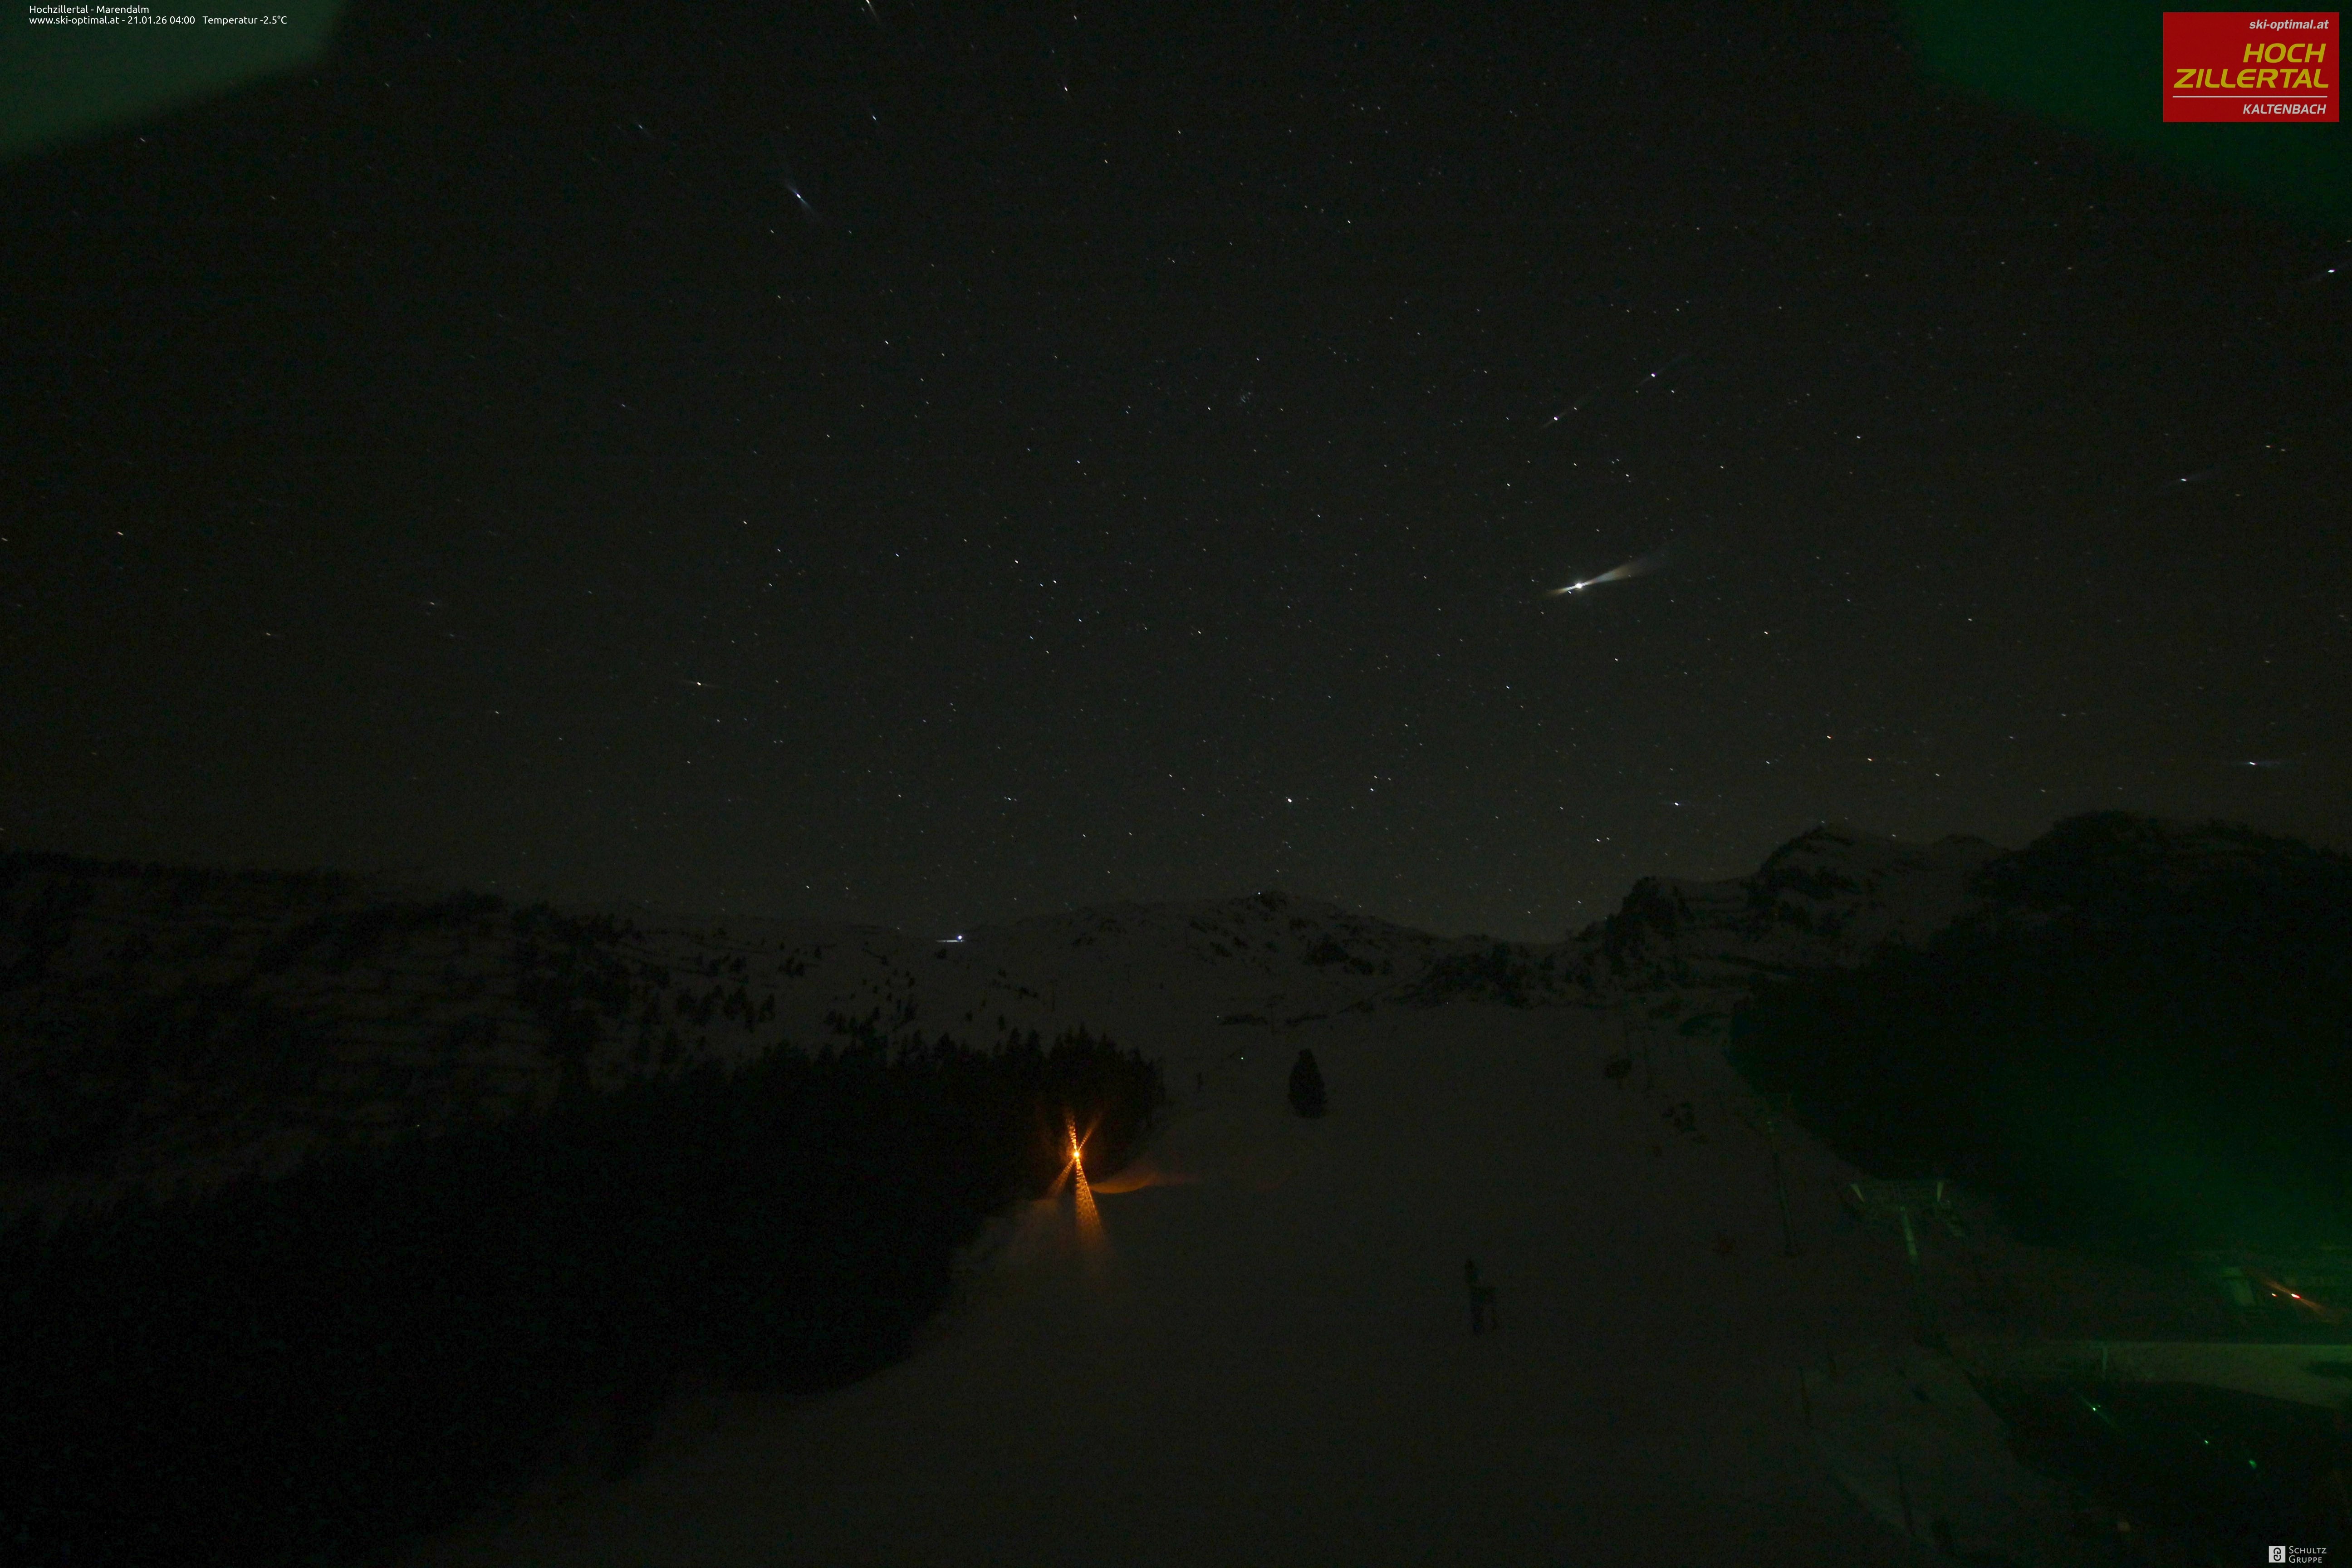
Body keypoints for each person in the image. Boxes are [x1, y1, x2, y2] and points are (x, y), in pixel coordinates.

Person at [1465, 1259, 1499, 1335]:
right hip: (1477, 1296)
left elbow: (1476, 1285)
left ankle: (1480, 1329)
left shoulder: (1473, 1275)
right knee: (1478, 1313)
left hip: (1477, 1296)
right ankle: (1480, 1329)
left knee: (1478, 1313)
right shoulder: (1474, 1275)